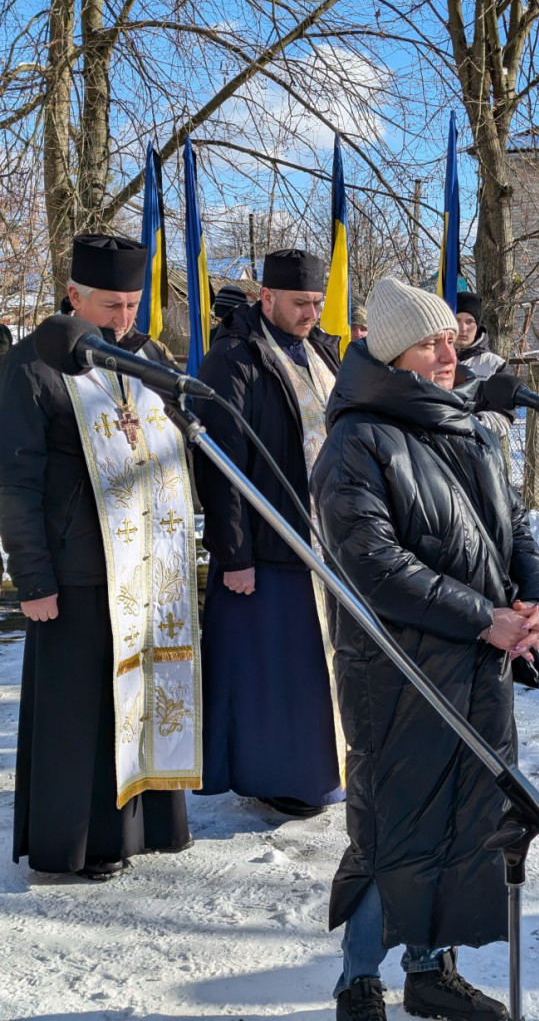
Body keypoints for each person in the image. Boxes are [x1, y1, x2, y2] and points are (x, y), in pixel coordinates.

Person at [310, 278, 539, 1021]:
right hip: (396, 670)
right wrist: (486, 617)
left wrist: (532, 598)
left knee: (463, 819)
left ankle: (431, 970)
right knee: (394, 822)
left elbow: (514, 524)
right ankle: (359, 978)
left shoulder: (470, 427)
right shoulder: (354, 441)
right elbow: (375, 564)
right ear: (391, 354)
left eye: (453, 338)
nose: (452, 353)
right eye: (431, 343)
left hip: (479, 666)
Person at [0, 234, 199, 880]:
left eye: (133, 304)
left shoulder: (142, 358)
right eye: (111, 305)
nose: (123, 319)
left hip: (142, 567)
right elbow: (15, 482)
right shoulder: (34, 363)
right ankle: (73, 845)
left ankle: (136, 832)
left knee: (134, 704)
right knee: (77, 720)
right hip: (74, 572)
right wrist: (31, 576)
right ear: (73, 295)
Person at [193, 248, 344, 817]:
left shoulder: (321, 351)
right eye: (301, 303)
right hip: (267, 546)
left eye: (317, 302)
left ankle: (322, 775)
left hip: (325, 542)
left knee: (316, 673)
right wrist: (235, 553)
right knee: (273, 676)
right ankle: (279, 779)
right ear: (268, 297)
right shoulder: (234, 360)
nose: (311, 313)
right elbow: (220, 464)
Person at [454, 291, 513, 438]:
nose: (463, 328)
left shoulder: (495, 366)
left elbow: (503, 419)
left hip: (476, 450)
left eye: (469, 321)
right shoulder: (431, 360)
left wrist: (467, 424)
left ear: (478, 324)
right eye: (457, 320)